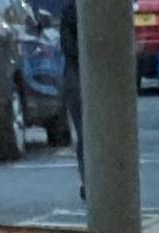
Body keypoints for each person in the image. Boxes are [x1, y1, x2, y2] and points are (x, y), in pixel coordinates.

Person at [60, 0, 85, 200]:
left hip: (75, 77)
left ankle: (88, 180)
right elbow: (69, 48)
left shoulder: (70, 11)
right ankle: (87, 179)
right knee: (85, 134)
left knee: (85, 134)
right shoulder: (70, 12)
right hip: (77, 78)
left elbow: (68, 47)